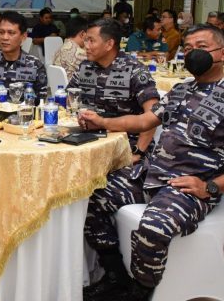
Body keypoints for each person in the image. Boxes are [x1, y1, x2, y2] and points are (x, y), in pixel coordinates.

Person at [79, 24, 224, 301]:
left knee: (153, 228)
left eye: (202, 47)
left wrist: (211, 188)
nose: (194, 53)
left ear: (222, 53)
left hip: (188, 185)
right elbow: (145, 120)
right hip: (151, 174)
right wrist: (103, 122)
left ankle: (140, 291)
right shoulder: (182, 89)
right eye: (188, 48)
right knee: (91, 199)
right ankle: (116, 277)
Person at [67, 18, 159, 165]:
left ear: (109, 44)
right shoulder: (86, 67)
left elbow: (154, 115)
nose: (86, 46)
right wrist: (79, 113)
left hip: (126, 144)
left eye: (91, 41)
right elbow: (70, 97)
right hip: (89, 140)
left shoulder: (134, 70)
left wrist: (138, 152)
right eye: (85, 40)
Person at [0, 11, 48, 104]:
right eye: (1, 32)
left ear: (23, 37)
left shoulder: (35, 65)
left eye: (11, 33)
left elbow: (40, 102)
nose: (5, 37)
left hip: (23, 112)